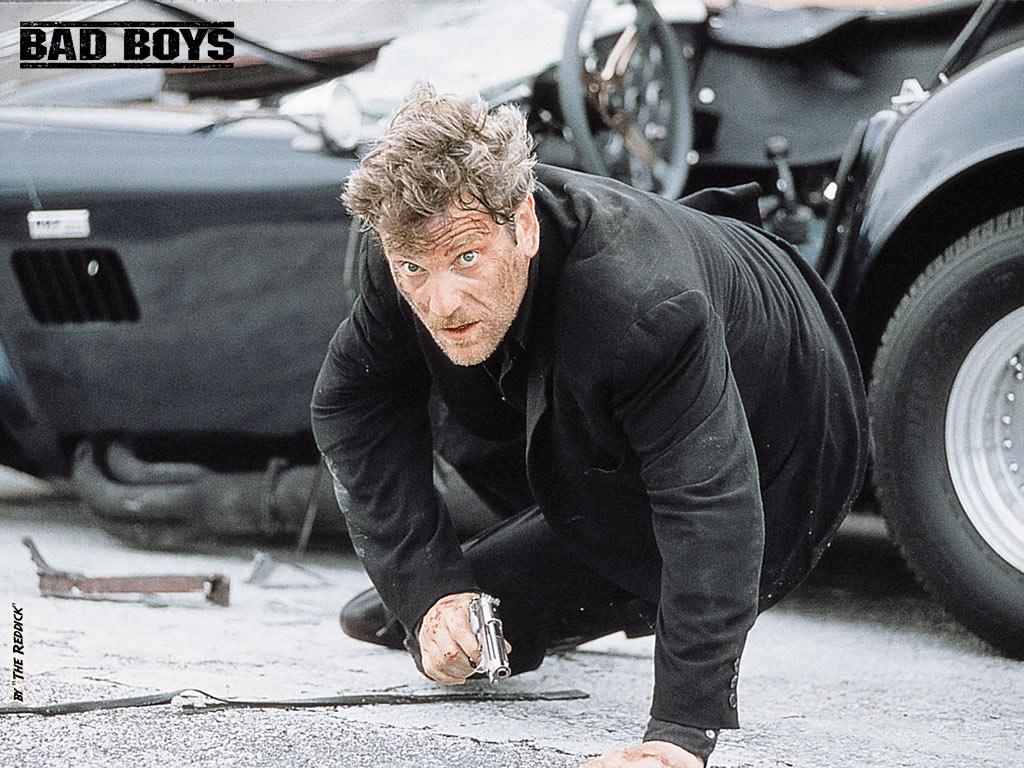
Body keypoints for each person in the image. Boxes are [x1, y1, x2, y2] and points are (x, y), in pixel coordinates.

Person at [311, 85, 867, 768]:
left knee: (669, 522)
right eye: (414, 269)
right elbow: (353, 405)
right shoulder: (404, 244)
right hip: (621, 372)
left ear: (525, 224)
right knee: (396, 620)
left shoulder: (642, 307)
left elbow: (709, 505)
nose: (442, 301)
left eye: (466, 258)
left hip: (793, 424)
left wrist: (679, 733)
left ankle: (628, 585)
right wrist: (432, 591)